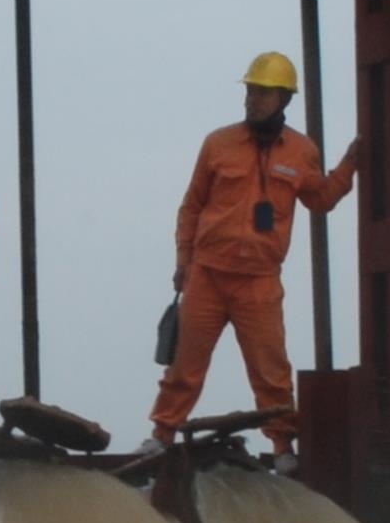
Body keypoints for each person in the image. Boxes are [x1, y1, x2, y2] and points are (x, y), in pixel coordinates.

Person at [137, 52, 359, 474]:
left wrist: (349, 165)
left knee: (271, 369)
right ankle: (161, 436)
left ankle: (282, 448)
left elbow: (321, 199)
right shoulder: (218, 144)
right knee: (184, 364)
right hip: (207, 274)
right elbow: (191, 207)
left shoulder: (300, 151)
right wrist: (184, 260)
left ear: (284, 99)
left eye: (262, 92)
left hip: (259, 281)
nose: (252, 99)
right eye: (250, 91)